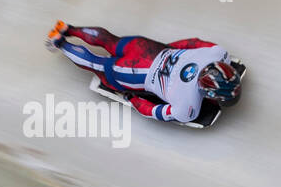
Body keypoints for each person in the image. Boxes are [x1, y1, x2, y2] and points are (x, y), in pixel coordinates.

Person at [47, 20, 241, 123]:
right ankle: (61, 43)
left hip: (146, 48)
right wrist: (131, 98)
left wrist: (167, 48)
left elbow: (192, 43)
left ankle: (67, 28)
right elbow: (152, 111)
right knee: (97, 65)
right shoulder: (188, 108)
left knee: (110, 41)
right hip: (135, 73)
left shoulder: (219, 53)